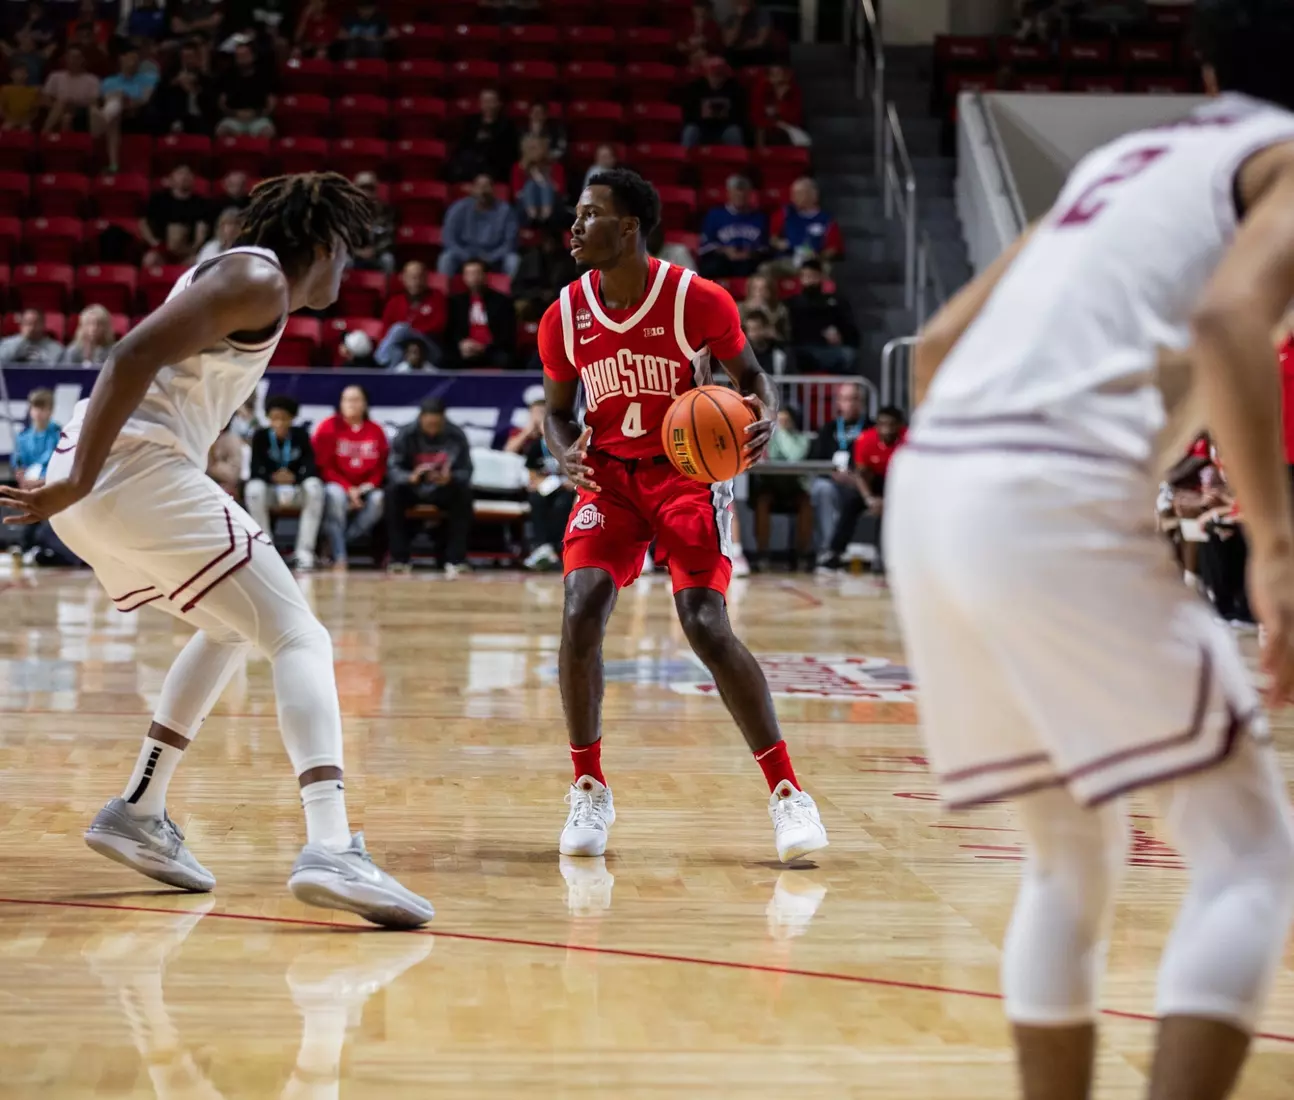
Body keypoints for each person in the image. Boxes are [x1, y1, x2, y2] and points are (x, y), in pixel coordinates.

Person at [887, 4, 1294, 1097]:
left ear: (1208, 63)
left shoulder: (1128, 154)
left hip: (930, 488)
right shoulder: (1287, 159)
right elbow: (1227, 324)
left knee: (1071, 854)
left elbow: (935, 350)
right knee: (1248, 852)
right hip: (1042, 484)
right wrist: (1278, 553)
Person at [0, 172, 433, 928]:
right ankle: (331, 844)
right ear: (325, 245)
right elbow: (125, 358)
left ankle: (139, 809)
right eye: (348, 256)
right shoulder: (256, 274)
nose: (349, 275)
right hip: (127, 474)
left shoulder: (249, 284)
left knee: (232, 626)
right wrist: (76, 480)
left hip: (117, 482)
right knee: (299, 633)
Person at [539, 167, 828, 863]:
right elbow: (554, 410)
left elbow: (753, 378)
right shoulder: (564, 314)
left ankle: (788, 794)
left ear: (629, 226)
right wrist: (561, 453)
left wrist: (763, 415)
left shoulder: (696, 300)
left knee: (703, 621)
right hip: (607, 478)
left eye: (588, 215)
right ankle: (587, 784)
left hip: (683, 477)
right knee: (581, 607)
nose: (573, 228)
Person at [385, 398, 473, 576]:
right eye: (428, 423)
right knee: (391, 492)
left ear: (443, 419)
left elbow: (466, 471)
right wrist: (411, 477)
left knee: (464, 493)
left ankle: (456, 559)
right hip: (413, 486)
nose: (432, 427)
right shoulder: (405, 434)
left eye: (436, 423)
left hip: (443, 487)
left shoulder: (456, 435)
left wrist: (451, 477)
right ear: (421, 419)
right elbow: (393, 469)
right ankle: (399, 559)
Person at [244, 394, 325, 571]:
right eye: (274, 418)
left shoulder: (301, 435)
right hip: (270, 491)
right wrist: (273, 477)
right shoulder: (261, 436)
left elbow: (311, 467)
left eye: (283, 418)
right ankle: (266, 550)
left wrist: (295, 478)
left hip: (295, 491)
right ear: (268, 418)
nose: (279, 423)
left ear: (292, 419)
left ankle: (304, 552)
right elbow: (255, 469)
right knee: (253, 489)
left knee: (315, 487)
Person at [822, 405, 906, 575]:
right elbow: (860, 474)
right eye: (882, 424)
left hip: (900, 485)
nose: (887, 429)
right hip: (872, 482)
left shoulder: (909, 440)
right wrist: (869, 498)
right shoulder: (865, 440)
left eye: (891, 425)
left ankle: (885, 557)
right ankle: (835, 552)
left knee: (891, 512)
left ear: (899, 426)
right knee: (851, 503)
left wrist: (889, 501)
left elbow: (911, 474)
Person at [312, 384, 387, 570]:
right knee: (335, 496)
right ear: (340, 403)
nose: (351, 404)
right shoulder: (328, 427)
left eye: (356, 399)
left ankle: (335, 545)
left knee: (379, 499)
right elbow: (324, 466)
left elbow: (381, 467)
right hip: (337, 485)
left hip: (365, 488)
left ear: (365, 404)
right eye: (347, 400)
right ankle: (340, 557)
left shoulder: (375, 430)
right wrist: (348, 489)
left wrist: (365, 488)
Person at [506, 384, 574, 570]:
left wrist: (573, 480)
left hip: (566, 487)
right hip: (543, 486)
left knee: (563, 504)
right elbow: (525, 465)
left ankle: (553, 548)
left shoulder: (567, 437)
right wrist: (535, 480)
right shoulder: (533, 443)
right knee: (537, 501)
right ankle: (541, 547)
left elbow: (578, 465)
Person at [806, 381, 868, 566]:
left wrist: (856, 478)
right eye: (845, 399)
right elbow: (815, 459)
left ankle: (842, 550)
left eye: (854, 399)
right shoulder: (828, 429)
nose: (850, 404)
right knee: (822, 490)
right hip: (831, 481)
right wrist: (831, 474)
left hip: (860, 483)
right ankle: (828, 550)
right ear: (838, 403)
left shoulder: (870, 428)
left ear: (862, 402)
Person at [749, 405, 813, 571]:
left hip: (794, 486)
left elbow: (796, 457)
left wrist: (784, 435)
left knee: (805, 503)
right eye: (780, 419)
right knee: (762, 501)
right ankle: (762, 553)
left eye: (787, 419)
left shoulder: (802, 439)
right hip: (771, 485)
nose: (783, 422)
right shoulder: (768, 439)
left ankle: (802, 554)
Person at [10, 387, 60, 562]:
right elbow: (18, 463)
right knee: (28, 514)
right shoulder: (23, 437)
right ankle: (25, 547)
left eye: (43, 408)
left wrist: (41, 481)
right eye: (35, 408)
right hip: (30, 489)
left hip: (51, 486)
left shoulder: (58, 435)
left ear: (50, 410)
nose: (38, 412)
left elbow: (59, 465)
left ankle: (48, 549)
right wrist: (21, 476)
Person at [91, 44, 158, 174]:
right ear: (121, 59)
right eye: (131, 58)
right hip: (117, 115)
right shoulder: (109, 81)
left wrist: (126, 99)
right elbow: (102, 100)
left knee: (118, 97)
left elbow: (145, 99)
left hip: (137, 112)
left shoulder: (148, 78)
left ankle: (101, 121)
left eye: (137, 58)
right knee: (111, 114)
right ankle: (114, 165)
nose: (134, 61)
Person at [438, 174, 520, 278]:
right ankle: (445, 292)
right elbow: (449, 239)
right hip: (464, 255)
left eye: (487, 187)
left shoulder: (505, 211)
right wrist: (466, 256)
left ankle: (513, 293)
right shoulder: (458, 208)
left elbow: (510, 243)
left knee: (513, 260)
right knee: (446, 259)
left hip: (495, 257)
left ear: (494, 190)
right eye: (479, 187)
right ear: (473, 189)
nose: (483, 192)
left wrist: (491, 257)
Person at [787, 259, 858, 372]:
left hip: (829, 349)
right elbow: (794, 331)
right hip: (802, 349)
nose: (809, 279)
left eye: (812, 275)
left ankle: (845, 389)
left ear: (821, 277)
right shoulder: (793, 303)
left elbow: (851, 330)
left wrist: (840, 335)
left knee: (848, 354)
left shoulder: (836, 301)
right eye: (805, 276)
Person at [443, 258, 515, 369]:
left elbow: (507, 333)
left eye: (477, 273)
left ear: (485, 276)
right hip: (466, 350)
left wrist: (485, 347)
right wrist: (461, 344)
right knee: (446, 359)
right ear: (464, 277)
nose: (474, 278)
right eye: (469, 274)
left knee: (506, 359)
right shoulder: (455, 302)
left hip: (492, 350)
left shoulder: (502, 301)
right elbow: (450, 330)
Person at [376, 260, 445, 368]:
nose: (416, 281)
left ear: (426, 278)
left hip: (429, 347)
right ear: (403, 278)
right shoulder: (395, 301)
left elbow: (439, 326)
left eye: (419, 277)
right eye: (412, 277)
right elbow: (386, 330)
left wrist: (410, 331)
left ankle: (380, 358)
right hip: (404, 349)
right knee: (397, 353)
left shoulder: (437, 297)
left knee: (400, 328)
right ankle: (390, 381)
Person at [698, 174, 768, 278]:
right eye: (736, 193)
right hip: (723, 261)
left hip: (749, 262)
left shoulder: (760, 217)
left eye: (743, 194)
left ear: (749, 195)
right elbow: (706, 244)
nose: (740, 197)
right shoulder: (715, 215)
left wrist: (749, 253)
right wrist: (725, 251)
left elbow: (764, 246)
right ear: (729, 193)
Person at [140, 165, 211, 268]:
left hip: (188, 251)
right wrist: (153, 242)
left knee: (199, 261)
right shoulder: (158, 200)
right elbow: (143, 223)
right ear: (171, 178)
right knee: (150, 259)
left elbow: (201, 233)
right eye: (180, 173)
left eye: (187, 174)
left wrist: (192, 249)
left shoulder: (200, 203)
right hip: (162, 250)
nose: (184, 177)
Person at [770, 177, 844, 268]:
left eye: (799, 194)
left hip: (813, 262)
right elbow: (772, 238)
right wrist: (779, 243)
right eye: (793, 194)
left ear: (813, 195)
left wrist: (818, 256)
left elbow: (833, 248)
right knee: (765, 269)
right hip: (788, 260)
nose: (793, 198)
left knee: (826, 268)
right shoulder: (785, 213)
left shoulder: (827, 220)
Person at [449, 88, 517, 184]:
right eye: (484, 101)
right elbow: (462, 146)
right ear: (480, 104)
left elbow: (509, 153)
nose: (487, 105)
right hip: (471, 168)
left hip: (495, 169)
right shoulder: (471, 123)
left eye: (491, 101)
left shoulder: (507, 125)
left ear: (498, 104)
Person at [680, 56, 747, 149]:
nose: (717, 77)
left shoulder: (734, 88)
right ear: (706, 74)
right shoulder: (694, 88)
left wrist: (724, 114)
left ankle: (737, 160)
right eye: (714, 74)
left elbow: (740, 115)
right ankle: (685, 160)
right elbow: (688, 115)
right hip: (701, 126)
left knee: (734, 132)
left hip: (724, 127)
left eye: (720, 74)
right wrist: (704, 114)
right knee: (690, 130)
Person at [215, 40, 276, 138]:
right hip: (234, 118)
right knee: (222, 130)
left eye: (245, 55)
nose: (241, 58)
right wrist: (235, 113)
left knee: (267, 131)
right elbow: (222, 102)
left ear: (253, 56)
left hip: (257, 118)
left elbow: (271, 102)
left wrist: (255, 114)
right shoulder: (228, 75)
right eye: (239, 56)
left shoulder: (264, 75)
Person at [155, 40, 216, 135]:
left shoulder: (206, 80)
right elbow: (160, 99)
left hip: (200, 119)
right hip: (177, 118)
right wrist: (174, 83)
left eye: (190, 57)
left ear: (197, 58)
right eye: (184, 57)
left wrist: (193, 90)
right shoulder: (170, 78)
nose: (187, 61)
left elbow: (211, 107)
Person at [511, 134, 566, 230]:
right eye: (531, 148)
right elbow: (517, 193)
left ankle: (545, 215)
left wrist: (541, 179)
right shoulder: (518, 167)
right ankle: (532, 215)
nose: (534, 152)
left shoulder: (556, 167)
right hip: (525, 205)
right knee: (530, 185)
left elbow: (560, 190)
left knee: (545, 186)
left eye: (536, 148)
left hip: (552, 205)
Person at [40, 45, 99, 134]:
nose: (73, 61)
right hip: (56, 109)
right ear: (66, 59)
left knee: (66, 115)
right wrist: (61, 105)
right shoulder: (55, 76)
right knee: (63, 110)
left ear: (83, 60)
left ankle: (45, 136)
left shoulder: (92, 80)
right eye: (70, 57)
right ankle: (45, 135)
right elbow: (45, 99)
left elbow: (95, 102)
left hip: (81, 112)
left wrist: (74, 104)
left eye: (77, 58)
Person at [752, 64, 809, 148]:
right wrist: (775, 123)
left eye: (779, 72)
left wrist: (781, 99)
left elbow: (795, 118)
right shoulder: (762, 88)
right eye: (772, 73)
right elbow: (756, 118)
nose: (775, 74)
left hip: (789, 132)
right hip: (766, 132)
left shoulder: (794, 90)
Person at [740, 273, 790, 344]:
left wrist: (775, 335)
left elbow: (787, 337)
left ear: (771, 291)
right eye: (755, 288)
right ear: (749, 290)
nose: (759, 292)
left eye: (764, 288)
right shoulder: (739, 309)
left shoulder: (780, 310)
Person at [1, 62, 41, 131]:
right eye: (19, 72)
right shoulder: (5, 89)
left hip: (26, 120)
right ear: (11, 75)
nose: (22, 74)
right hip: (9, 120)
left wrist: (27, 119)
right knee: (6, 127)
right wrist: (10, 119)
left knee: (26, 128)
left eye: (24, 72)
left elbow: (35, 111)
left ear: (27, 75)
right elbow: (1, 109)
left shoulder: (33, 91)